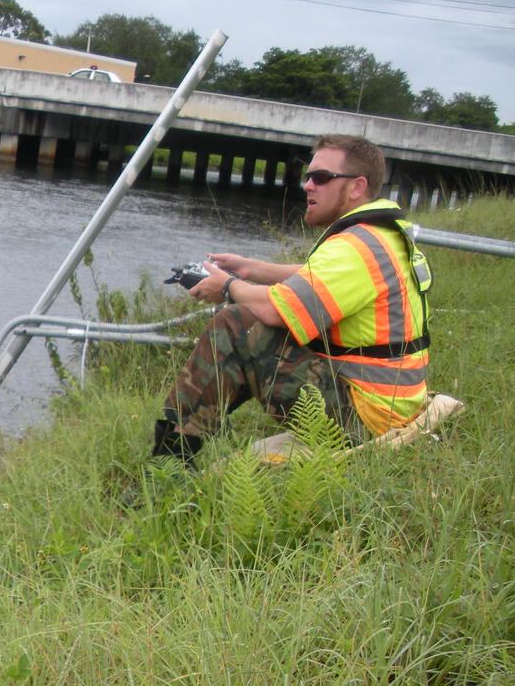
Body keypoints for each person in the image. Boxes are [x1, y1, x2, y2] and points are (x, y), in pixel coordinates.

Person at [152, 133, 432, 461]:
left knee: (236, 326)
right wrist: (251, 268)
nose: (307, 185)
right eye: (308, 176)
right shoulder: (379, 236)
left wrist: (227, 287)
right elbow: (317, 279)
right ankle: (190, 435)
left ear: (357, 187)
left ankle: (168, 463)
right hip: (392, 402)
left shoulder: (354, 248)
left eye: (321, 177)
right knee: (251, 325)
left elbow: (273, 309)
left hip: (364, 419)